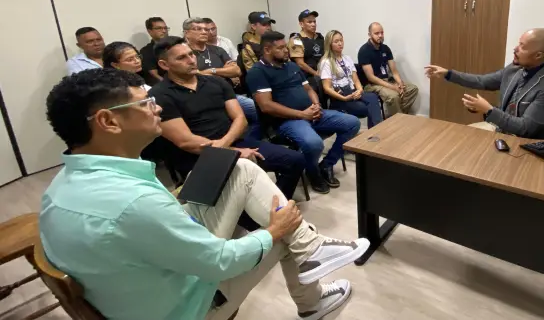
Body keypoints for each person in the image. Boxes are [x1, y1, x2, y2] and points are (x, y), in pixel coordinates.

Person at [40, 68, 369, 320]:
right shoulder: (133, 203)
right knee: (284, 232)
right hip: (186, 306)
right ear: (108, 121)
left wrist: (176, 200)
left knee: (241, 169)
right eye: (145, 103)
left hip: (143, 284)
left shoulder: (60, 186)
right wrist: (273, 231)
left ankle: (312, 247)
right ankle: (312, 299)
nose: (157, 108)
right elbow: (220, 262)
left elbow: (141, 229)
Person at [149, 36, 305, 199]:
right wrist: (231, 153)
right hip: (196, 156)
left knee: (295, 160)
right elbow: (186, 141)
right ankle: (249, 210)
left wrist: (226, 146)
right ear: (164, 65)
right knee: (236, 182)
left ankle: (275, 205)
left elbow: (240, 119)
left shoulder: (215, 82)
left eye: (191, 54)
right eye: (181, 58)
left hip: (233, 142)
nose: (191, 60)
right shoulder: (159, 95)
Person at [247, 31, 361, 194]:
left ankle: (326, 164)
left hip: (312, 113)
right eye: (280, 48)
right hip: (287, 121)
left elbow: (308, 89)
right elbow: (266, 106)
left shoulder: (292, 66)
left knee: (352, 123)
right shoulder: (257, 72)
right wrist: (302, 115)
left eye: (285, 47)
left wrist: (316, 104)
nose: (286, 51)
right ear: (267, 50)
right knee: (314, 144)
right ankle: (312, 173)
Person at [425, 28, 544, 139]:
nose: (515, 49)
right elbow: (482, 81)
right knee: (456, 137)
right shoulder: (515, 69)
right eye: (519, 43)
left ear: (538, 55)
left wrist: (489, 110)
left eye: (522, 47)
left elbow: (525, 129)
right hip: (501, 131)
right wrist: (448, 74)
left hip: (524, 145)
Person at [182, 17, 259, 139]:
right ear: (187, 33)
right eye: (198, 29)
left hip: (228, 95)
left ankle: (249, 140)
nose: (204, 32)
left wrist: (211, 71)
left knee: (258, 109)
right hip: (203, 99)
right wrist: (223, 71)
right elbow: (193, 75)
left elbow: (236, 71)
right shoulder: (186, 54)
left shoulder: (217, 50)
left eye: (205, 29)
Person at [320, 30, 383, 128]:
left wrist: (359, 90)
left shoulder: (347, 58)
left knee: (373, 97)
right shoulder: (326, 62)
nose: (340, 43)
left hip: (352, 92)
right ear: (329, 44)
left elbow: (356, 80)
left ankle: (376, 130)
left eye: (341, 40)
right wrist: (344, 98)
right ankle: (376, 130)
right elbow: (327, 88)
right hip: (340, 97)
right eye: (336, 41)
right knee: (366, 108)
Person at [357, 22, 418, 117]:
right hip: (372, 84)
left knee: (412, 89)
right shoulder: (364, 50)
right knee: (393, 96)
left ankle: (397, 116)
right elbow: (371, 77)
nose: (380, 35)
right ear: (369, 34)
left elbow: (394, 71)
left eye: (382, 32)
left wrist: (400, 83)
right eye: (376, 33)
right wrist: (392, 87)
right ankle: (399, 119)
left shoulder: (385, 48)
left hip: (387, 80)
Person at [289, 9, 325, 92]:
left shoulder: (320, 37)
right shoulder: (296, 39)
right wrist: (316, 74)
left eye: (314, 22)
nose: (313, 24)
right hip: (306, 76)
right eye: (309, 22)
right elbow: (300, 64)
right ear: (301, 24)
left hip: (321, 72)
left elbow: (325, 55)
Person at [140, 17, 169, 86]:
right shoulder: (146, 51)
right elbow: (155, 75)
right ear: (149, 31)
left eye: (165, 28)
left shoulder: (175, 44)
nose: (164, 31)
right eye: (159, 28)